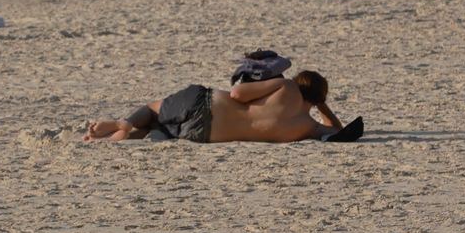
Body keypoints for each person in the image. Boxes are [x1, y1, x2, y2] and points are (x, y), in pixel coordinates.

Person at [84, 70, 343, 143]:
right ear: (319, 98)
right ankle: (125, 136)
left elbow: (238, 93)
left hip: (207, 103)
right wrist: (323, 106)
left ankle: (124, 123)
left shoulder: (286, 87)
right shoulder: (307, 127)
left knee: (152, 110)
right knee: (159, 127)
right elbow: (339, 131)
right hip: (205, 134)